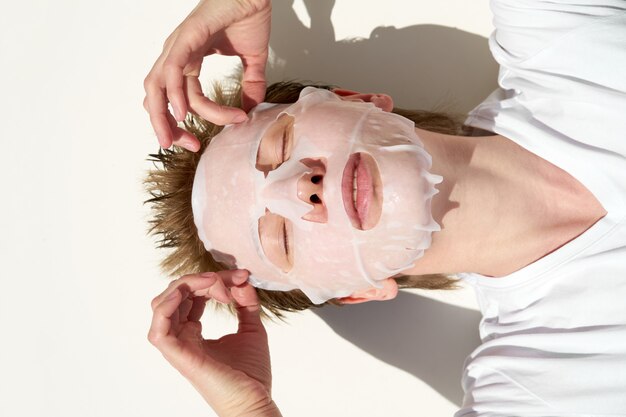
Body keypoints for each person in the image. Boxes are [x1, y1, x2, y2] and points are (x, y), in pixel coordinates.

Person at [143, 1, 626, 416]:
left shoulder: (558, 35)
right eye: (281, 238)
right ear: (359, 292)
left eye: (282, 142)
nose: (302, 189)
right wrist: (251, 411)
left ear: (361, 102)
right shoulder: (535, 386)